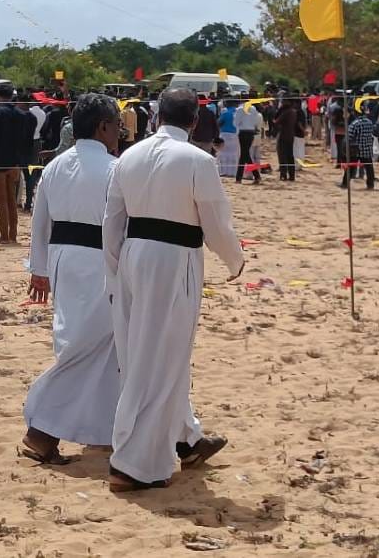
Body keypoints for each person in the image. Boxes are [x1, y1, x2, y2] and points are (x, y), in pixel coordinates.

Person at [103, 88, 244, 492]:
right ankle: (133, 463)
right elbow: (216, 222)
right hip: (174, 260)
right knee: (164, 356)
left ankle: (186, 438)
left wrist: (115, 270)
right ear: (195, 120)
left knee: (144, 353)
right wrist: (235, 261)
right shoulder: (199, 161)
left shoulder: (128, 157)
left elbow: (111, 220)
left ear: (155, 117)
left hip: (133, 256)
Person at [21, 94, 122, 465]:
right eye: (116, 124)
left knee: (78, 338)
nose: (119, 131)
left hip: (63, 259)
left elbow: (39, 220)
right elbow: (120, 224)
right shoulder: (116, 168)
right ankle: (42, 430)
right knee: (89, 343)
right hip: (101, 261)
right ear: (103, 127)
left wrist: (40, 268)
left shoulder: (55, 165)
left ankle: (102, 427)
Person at [0, 84, 34, 242]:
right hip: (15, 162)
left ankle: (4, 235)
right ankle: (13, 234)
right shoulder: (22, 114)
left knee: (1, 200)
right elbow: (25, 139)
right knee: (12, 199)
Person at [340, 108, 375, 189]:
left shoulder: (355, 124)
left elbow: (349, 137)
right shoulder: (370, 122)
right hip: (367, 149)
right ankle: (370, 184)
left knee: (350, 168)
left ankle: (345, 184)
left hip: (355, 150)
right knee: (369, 168)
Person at [233, 100, 261, 184]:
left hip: (243, 133)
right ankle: (255, 176)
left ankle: (240, 178)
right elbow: (256, 121)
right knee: (245, 155)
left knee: (244, 155)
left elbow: (235, 123)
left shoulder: (239, 109)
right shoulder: (253, 108)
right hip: (251, 133)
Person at [274, 99, 300, 182]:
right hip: (290, 135)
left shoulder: (286, 112)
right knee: (290, 156)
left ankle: (283, 174)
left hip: (283, 135)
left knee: (282, 156)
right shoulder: (293, 112)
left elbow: (276, 121)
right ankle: (292, 175)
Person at [216, 99, 239, 176]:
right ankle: (232, 172)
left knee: (223, 153)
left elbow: (219, 123)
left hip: (225, 134)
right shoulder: (238, 112)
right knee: (233, 153)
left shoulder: (225, 112)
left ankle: (223, 172)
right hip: (235, 134)